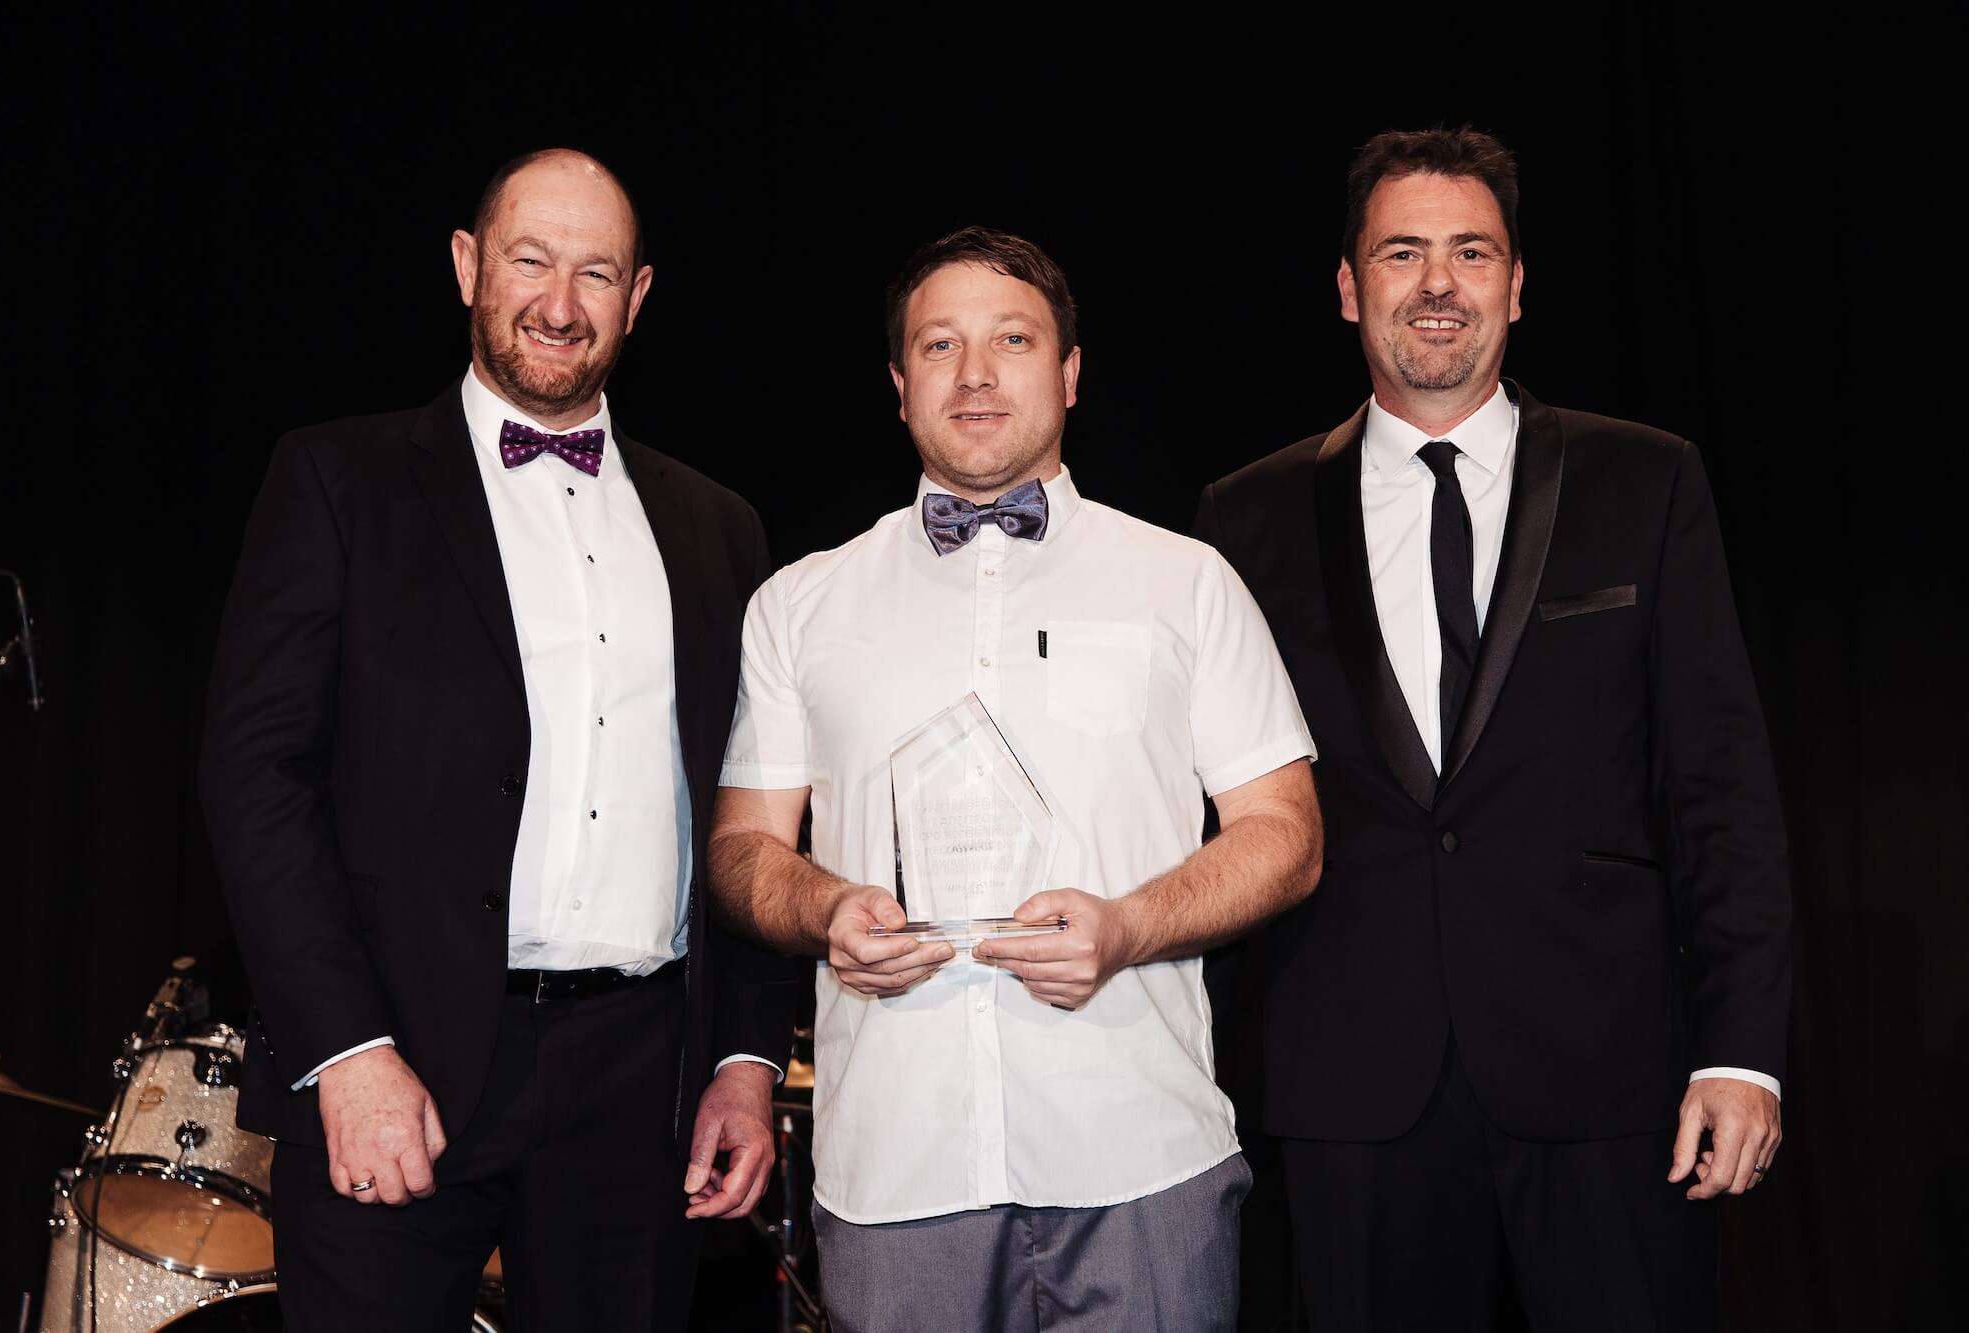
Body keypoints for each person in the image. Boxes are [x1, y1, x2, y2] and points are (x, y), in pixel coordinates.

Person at [1195, 127, 1792, 1331]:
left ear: (1515, 285)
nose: (1436, 283)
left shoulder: (1646, 480)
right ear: (1347, 287)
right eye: (1400, 252)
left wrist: (1740, 1052)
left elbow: (1718, 785)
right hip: (1347, 1080)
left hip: (1607, 1074)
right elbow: (1202, 810)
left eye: (1470, 252)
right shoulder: (1241, 518)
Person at [200, 148, 795, 1333]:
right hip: (396, 1057)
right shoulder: (336, 478)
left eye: (595, 272)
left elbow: (755, 807)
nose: (559, 304)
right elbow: (254, 777)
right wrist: (345, 1049)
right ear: (468, 265)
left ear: (637, 296)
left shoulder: (718, 527)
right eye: (530, 260)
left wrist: (744, 1060)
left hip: (641, 1087)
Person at [706, 226, 1323, 1333]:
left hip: (1140, 1155)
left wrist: (1127, 928)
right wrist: (825, 908)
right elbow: (743, 847)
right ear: (899, 385)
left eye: (1013, 340)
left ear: (1070, 372)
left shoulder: (1185, 582)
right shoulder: (799, 603)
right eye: (939, 345)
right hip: (895, 1170)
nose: (975, 373)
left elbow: (1285, 831)